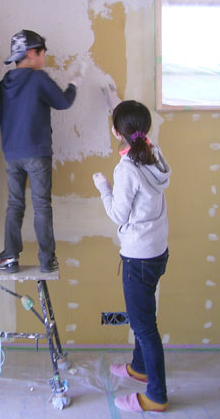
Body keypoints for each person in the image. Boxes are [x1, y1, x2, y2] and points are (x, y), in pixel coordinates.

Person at [93, 100, 170, 413]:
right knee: (144, 316)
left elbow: (118, 215)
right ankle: (139, 367)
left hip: (138, 257)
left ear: (116, 132)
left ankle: (157, 396)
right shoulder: (154, 154)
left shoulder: (127, 169)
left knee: (144, 328)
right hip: (157, 252)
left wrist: (103, 187)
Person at [0, 29, 82, 273]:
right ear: (31, 53)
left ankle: (9, 257)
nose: (44, 58)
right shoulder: (38, 79)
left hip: (12, 155)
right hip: (38, 153)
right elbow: (63, 102)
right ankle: (47, 260)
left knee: (15, 205)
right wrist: (74, 84)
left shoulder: (3, 85)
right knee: (41, 206)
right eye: (42, 53)